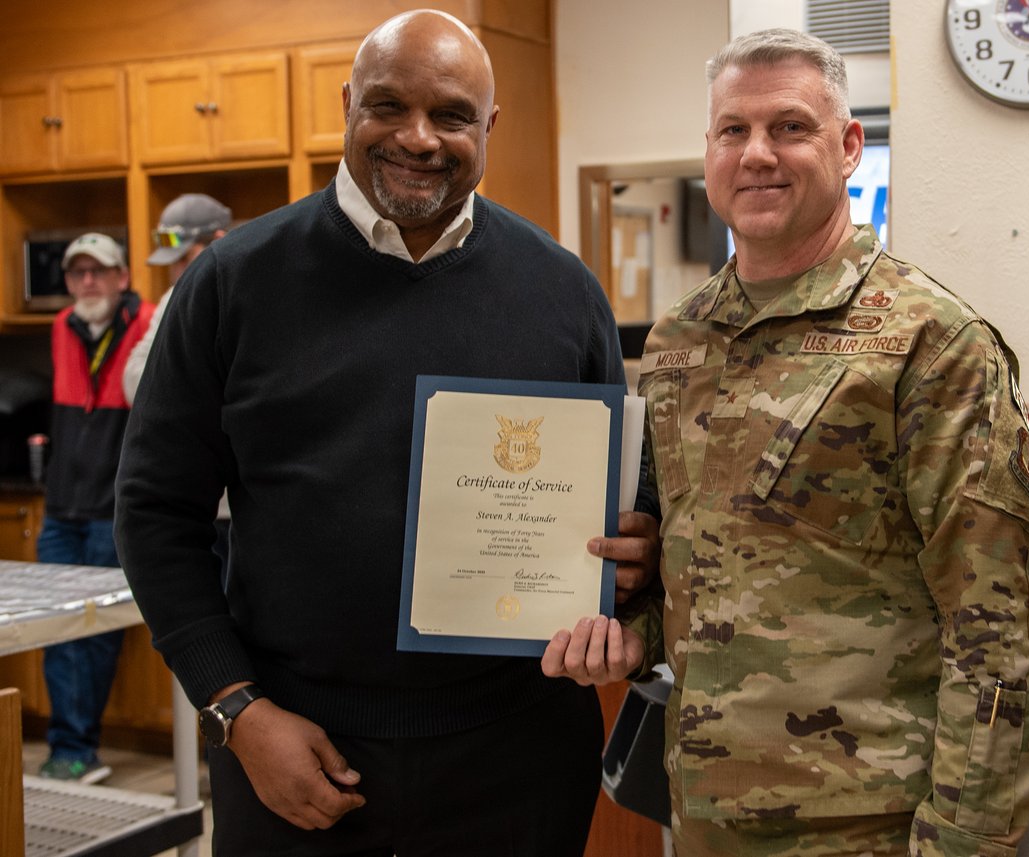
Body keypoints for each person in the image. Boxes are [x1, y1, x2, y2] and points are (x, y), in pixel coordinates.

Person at [114, 9, 656, 857]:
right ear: (347, 105)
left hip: (517, 754)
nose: (418, 138)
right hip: (292, 749)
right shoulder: (233, 284)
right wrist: (237, 710)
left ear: (488, 126)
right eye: (387, 106)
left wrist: (629, 563)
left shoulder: (563, 292)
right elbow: (152, 514)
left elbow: (623, 499)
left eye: (449, 115)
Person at [543, 29, 1029, 857]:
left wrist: (961, 843)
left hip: (873, 827)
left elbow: (999, 635)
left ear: (849, 146)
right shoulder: (680, 341)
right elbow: (680, 550)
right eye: (732, 131)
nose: (757, 154)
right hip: (703, 811)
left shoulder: (931, 341)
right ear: (708, 150)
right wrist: (630, 623)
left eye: (790, 127)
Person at [38, 232, 155, 783]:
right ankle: (71, 747)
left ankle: (76, 746)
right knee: (55, 631)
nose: (88, 282)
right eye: (77, 273)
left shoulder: (148, 322)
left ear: (122, 277)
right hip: (61, 509)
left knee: (98, 633)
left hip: (113, 512)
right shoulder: (62, 328)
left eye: (99, 271)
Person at [122, 193, 233, 573]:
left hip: (248, 506)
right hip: (198, 502)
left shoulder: (254, 289)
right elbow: (135, 381)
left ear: (219, 240)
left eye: (184, 258)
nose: (177, 272)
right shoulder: (177, 298)